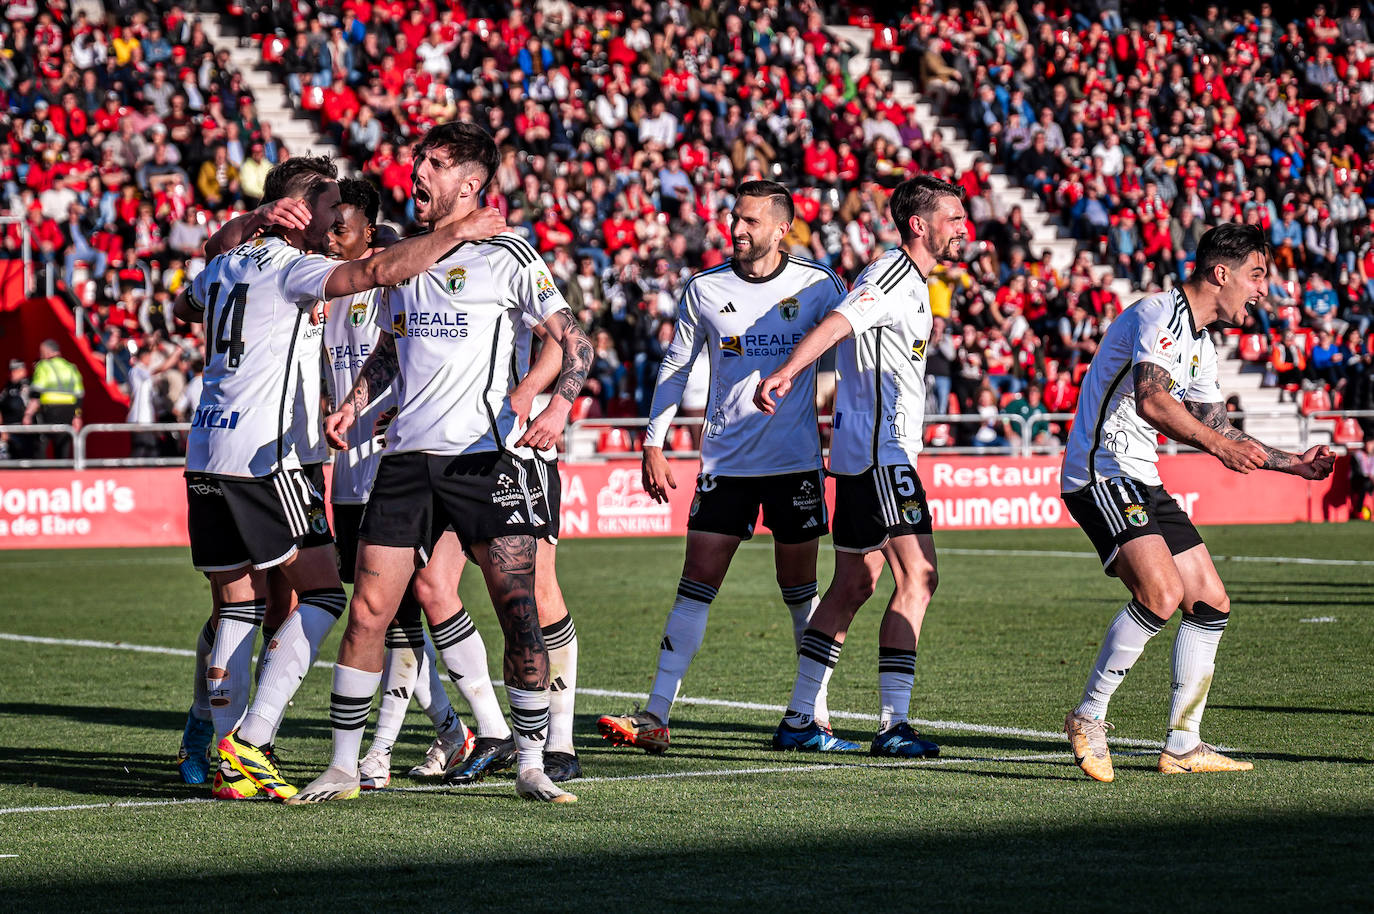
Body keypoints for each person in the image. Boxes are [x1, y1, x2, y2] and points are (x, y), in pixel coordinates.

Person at [171, 155, 487, 801]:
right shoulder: (296, 268)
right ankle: (248, 739)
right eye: (327, 207)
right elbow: (374, 269)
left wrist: (248, 223)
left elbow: (185, 300)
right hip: (268, 455)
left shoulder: (227, 263)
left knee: (240, 604)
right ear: (299, 211)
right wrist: (458, 232)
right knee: (322, 596)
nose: (335, 218)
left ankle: (225, 753)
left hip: (206, 448)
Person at [299, 122, 593, 805]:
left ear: (469, 184)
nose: (416, 172)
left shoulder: (512, 256)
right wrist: (356, 404)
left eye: (430, 163)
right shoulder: (407, 257)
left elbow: (573, 341)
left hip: (482, 460)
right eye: (416, 160)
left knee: (517, 606)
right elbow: (393, 350)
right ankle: (345, 768)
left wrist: (556, 408)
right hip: (405, 462)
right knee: (370, 611)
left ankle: (530, 762)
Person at [1059, 224, 1336, 783]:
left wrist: (1295, 465)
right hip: (1101, 473)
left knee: (1209, 601)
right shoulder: (1159, 314)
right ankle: (1088, 716)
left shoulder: (1202, 344)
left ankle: (1183, 744)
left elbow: (1218, 426)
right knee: (1160, 594)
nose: (1262, 291)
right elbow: (1153, 399)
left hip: (1142, 478)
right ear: (1221, 273)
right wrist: (1219, 444)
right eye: (1256, 276)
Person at [596, 181, 847, 754]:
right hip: (726, 464)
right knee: (695, 586)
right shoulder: (704, 289)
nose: (738, 229)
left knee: (800, 593)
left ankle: (813, 714)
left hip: (796, 466)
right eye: (736, 218)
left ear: (782, 228)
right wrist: (652, 443)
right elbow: (676, 366)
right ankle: (657, 714)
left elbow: (847, 361)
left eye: (752, 221)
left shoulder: (817, 284)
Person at [754, 175, 969, 756]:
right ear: (919, 225)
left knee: (854, 583)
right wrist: (789, 372)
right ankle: (894, 724)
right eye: (953, 217)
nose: (963, 227)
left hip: (861, 457)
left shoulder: (917, 283)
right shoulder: (893, 275)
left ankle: (800, 718)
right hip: (881, 456)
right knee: (919, 577)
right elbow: (841, 322)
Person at [321, 179, 504, 789]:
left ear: (370, 234)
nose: (330, 238)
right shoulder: (322, 290)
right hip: (350, 478)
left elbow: (422, 362)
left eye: (340, 228)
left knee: (410, 605)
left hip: (410, 467)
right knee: (387, 616)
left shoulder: (402, 278)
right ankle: (455, 731)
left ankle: (388, 748)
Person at [23, 340, 83, 460]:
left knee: (40, 444)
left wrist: (28, 414)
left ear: (46, 352)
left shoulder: (43, 366)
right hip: (69, 412)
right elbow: (79, 395)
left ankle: (41, 475)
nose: (40, 356)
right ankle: (63, 474)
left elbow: (36, 394)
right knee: (63, 446)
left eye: (41, 352)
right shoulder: (71, 367)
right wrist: (77, 416)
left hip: (49, 411)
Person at [127, 343, 181, 458]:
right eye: (150, 357)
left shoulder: (142, 372)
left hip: (147, 420)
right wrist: (176, 353)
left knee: (151, 452)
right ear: (145, 356)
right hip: (139, 420)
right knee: (142, 452)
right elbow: (161, 368)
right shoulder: (137, 370)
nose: (151, 360)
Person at [1, 359, 36, 460]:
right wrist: (3, 429)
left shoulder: (28, 385)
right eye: (11, 370)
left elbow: (34, 404)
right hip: (8, 431)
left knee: (26, 458)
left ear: (23, 370)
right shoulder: (6, 387)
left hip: (25, 430)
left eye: (15, 370)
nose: (12, 373)